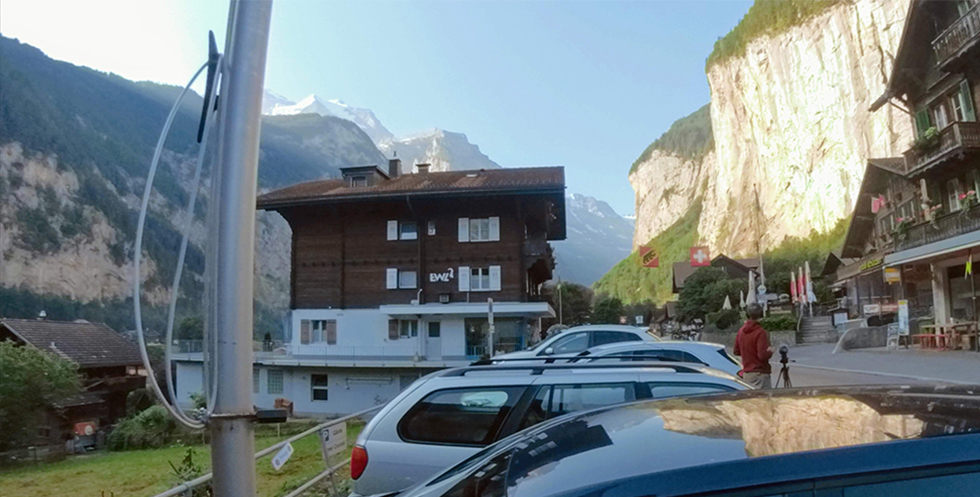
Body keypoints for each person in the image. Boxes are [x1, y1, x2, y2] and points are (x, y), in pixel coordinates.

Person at [733, 303, 773, 389]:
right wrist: (770, 351)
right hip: (760, 373)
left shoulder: (741, 331)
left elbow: (736, 351)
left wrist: (747, 352)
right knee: (764, 400)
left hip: (747, 373)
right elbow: (762, 355)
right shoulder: (760, 332)